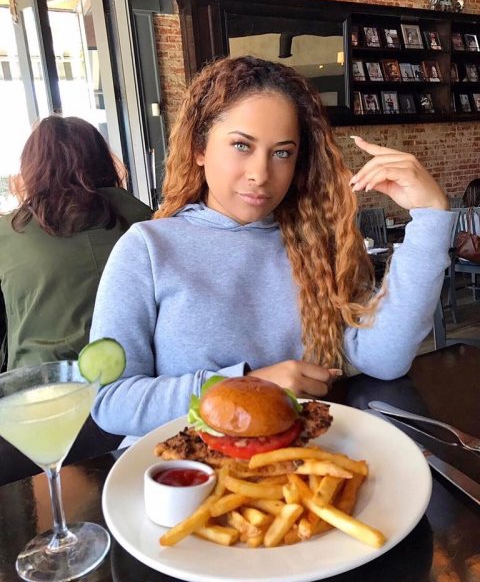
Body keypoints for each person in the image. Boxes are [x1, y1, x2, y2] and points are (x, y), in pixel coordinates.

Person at [90, 56, 454, 440]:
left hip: (296, 462)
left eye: (282, 152)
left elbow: (385, 359)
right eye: (241, 145)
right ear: (199, 148)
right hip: (184, 469)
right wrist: (247, 387)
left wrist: (430, 219)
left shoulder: (315, 246)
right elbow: (110, 401)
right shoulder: (147, 249)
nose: (261, 174)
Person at [0, 116, 152, 371]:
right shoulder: (148, 218)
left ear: (32, 168)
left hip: (42, 381)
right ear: (102, 161)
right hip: (139, 376)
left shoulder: (9, 233)